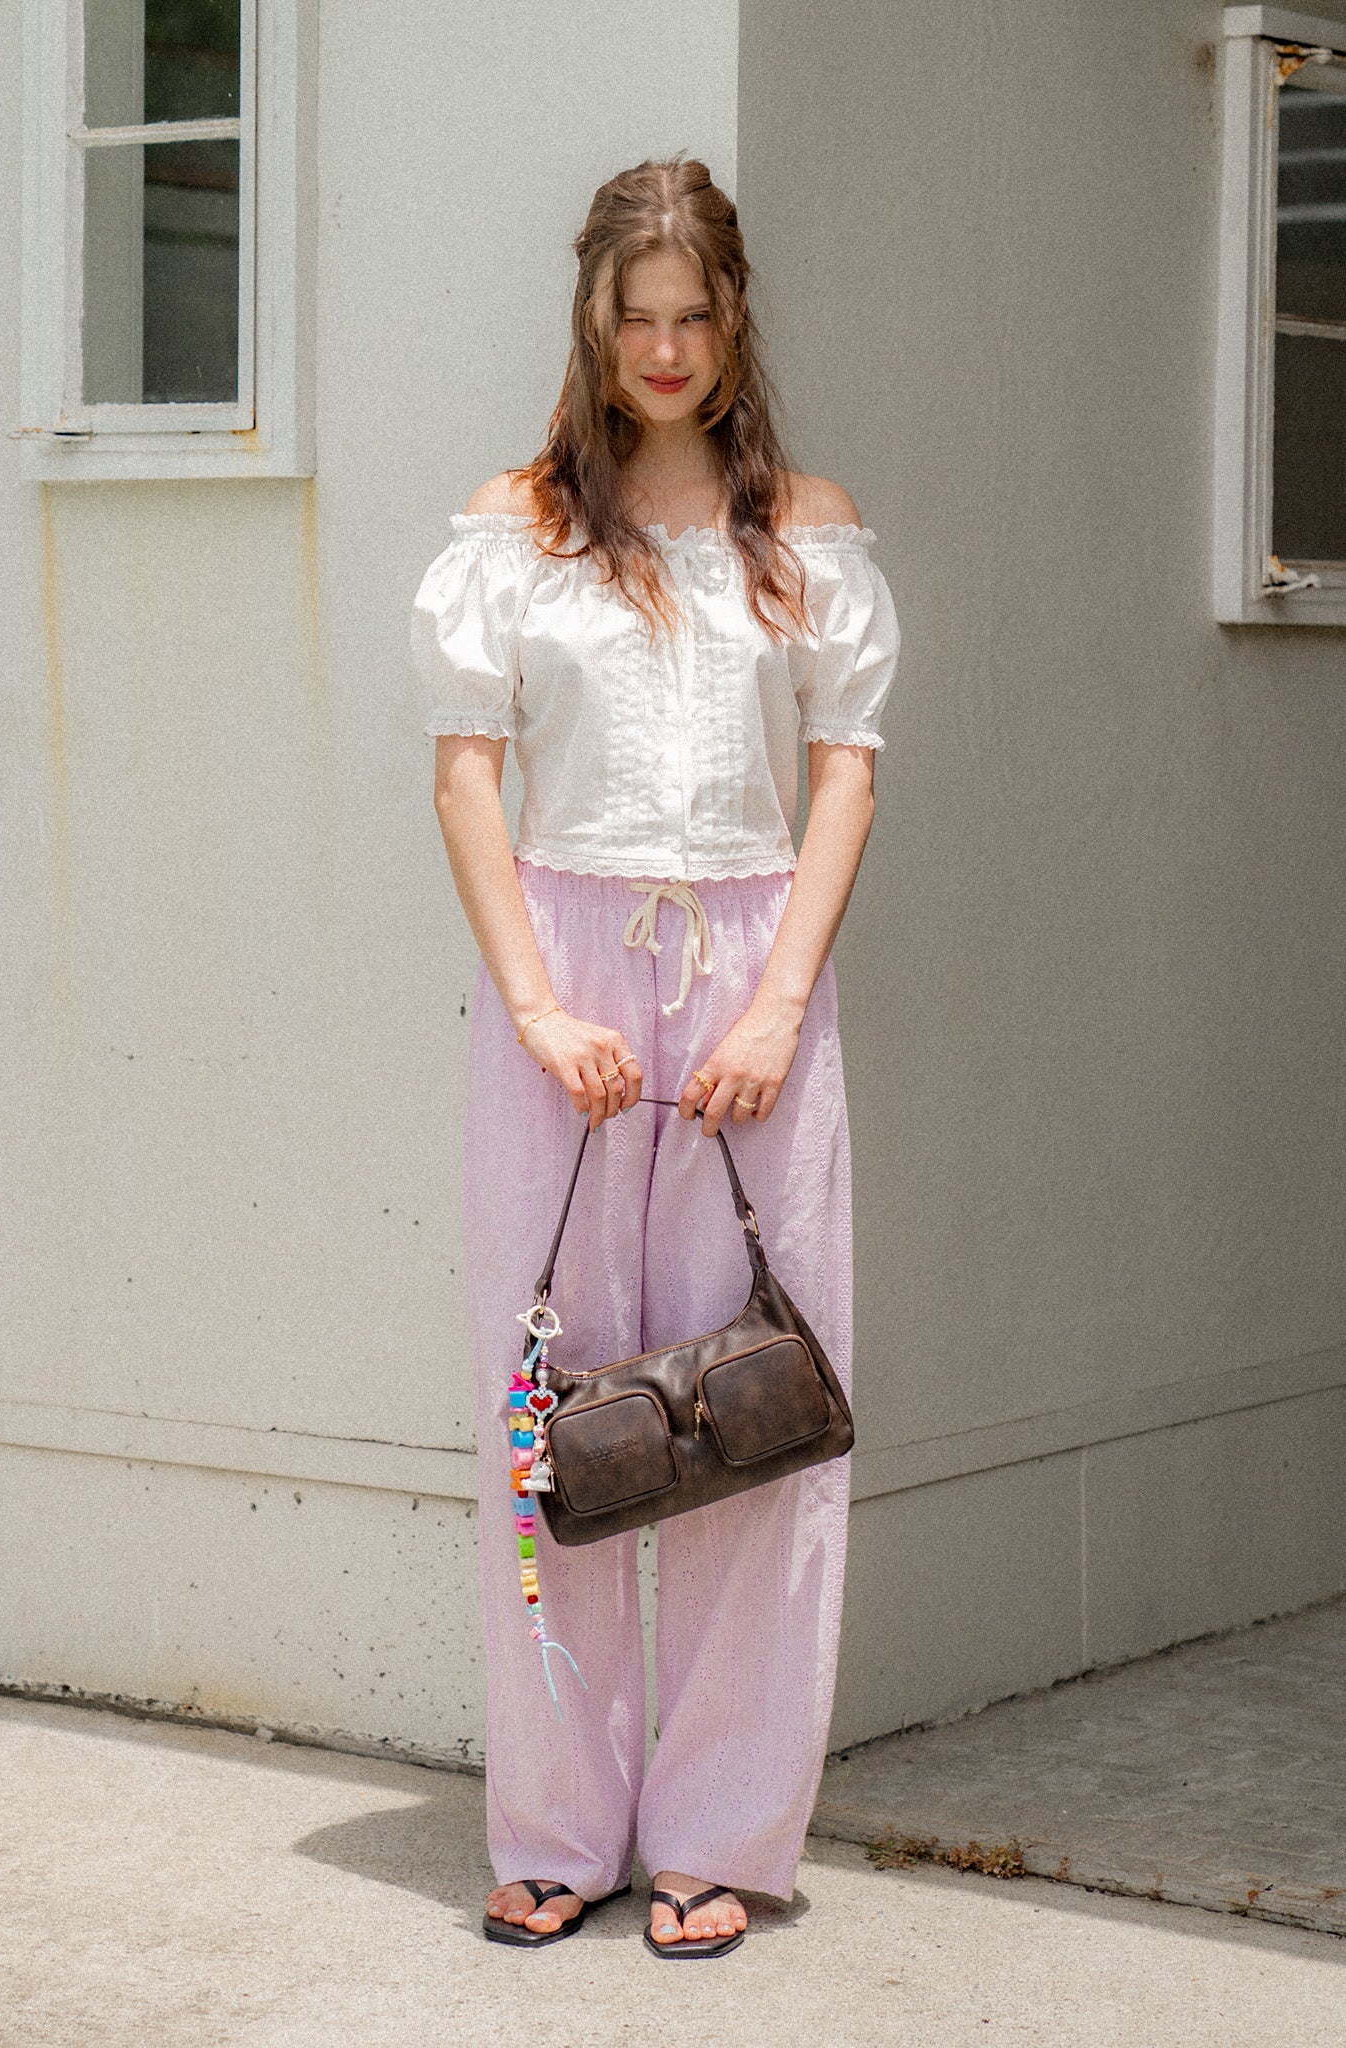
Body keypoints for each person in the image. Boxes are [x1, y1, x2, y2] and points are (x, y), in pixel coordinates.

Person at [412, 155, 899, 1958]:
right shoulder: (518, 526)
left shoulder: (807, 531)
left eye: (697, 316)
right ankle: (557, 1823)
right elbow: (469, 776)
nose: (669, 349)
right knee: (546, 1403)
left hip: (756, 980)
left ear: (735, 318)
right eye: (639, 318)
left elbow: (844, 772)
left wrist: (775, 1003)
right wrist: (542, 1006)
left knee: (753, 1406)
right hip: (563, 982)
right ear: (594, 322)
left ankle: (717, 1829)